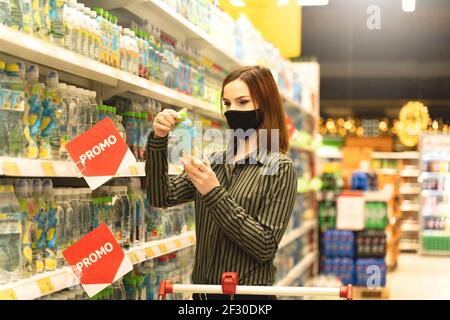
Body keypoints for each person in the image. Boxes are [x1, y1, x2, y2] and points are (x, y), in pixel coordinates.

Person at [145, 66, 297, 300]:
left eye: (243, 102)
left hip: (246, 296)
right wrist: (158, 139)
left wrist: (213, 192)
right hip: (204, 294)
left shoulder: (279, 166)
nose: (232, 111)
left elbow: (265, 246)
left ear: (265, 105)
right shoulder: (216, 161)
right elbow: (161, 196)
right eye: (227, 104)